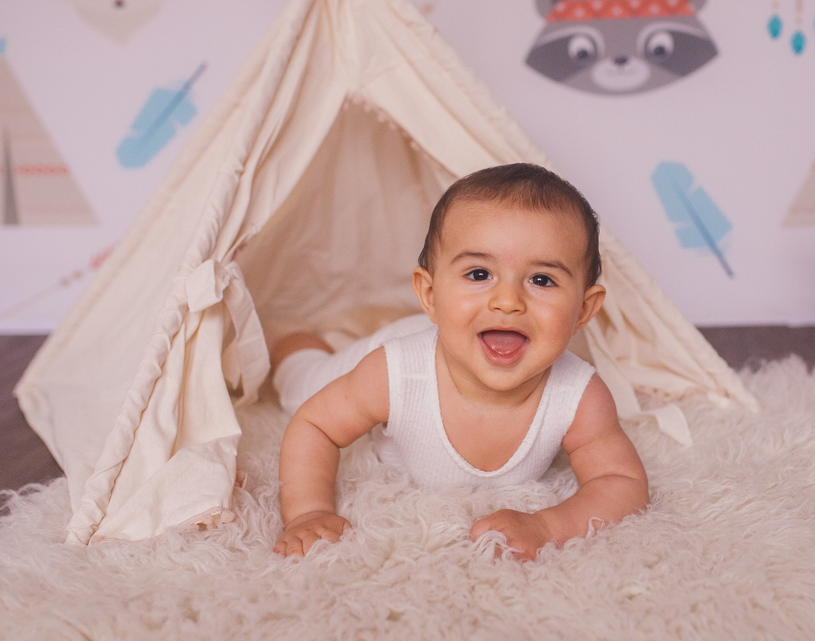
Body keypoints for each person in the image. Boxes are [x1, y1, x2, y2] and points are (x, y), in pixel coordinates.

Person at [271, 163, 649, 559]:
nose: (507, 301)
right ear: (431, 294)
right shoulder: (394, 371)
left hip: (460, 330)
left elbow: (620, 480)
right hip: (410, 343)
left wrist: (546, 525)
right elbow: (315, 426)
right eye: (479, 273)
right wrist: (309, 511)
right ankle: (297, 344)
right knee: (303, 388)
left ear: (584, 310)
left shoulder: (578, 394)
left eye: (541, 280)